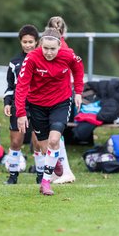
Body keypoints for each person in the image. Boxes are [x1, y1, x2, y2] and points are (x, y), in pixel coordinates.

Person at [15, 27, 84, 196]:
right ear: (40, 45)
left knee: (54, 140)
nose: (49, 52)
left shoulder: (68, 55)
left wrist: (79, 92)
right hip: (37, 105)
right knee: (44, 147)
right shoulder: (32, 58)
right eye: (45, 48)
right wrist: (21, 113)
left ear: (60, 46)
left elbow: (78, 69)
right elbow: (22, 86)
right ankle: (55, 163)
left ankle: (45, 182)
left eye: (53, 49)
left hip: (60, 102)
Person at [3, 24, 45, 185]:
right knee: (15, 142)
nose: (28, 45)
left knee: (38, 142)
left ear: (36, 42)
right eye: (25, 42)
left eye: (31, 42)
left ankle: (40, 176)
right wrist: (7, 102)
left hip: (38, 105)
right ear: (21, 42)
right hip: (19, 105)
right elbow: (10, 86)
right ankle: (13, 176)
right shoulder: (14, 63)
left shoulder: (43, 59)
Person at [46, 16, 76, 184]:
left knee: (56, 133)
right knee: (55, 133)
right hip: (55, 94)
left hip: (60, 95)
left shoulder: (59, 48)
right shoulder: (59, 45)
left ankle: (65, 171)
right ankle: (62, 171)